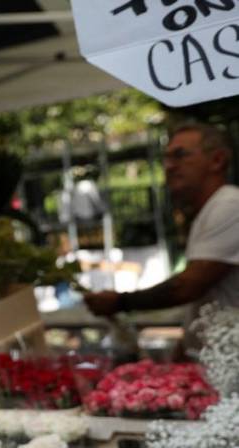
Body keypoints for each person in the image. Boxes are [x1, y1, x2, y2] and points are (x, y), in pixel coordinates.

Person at [84, 124, 239, 353]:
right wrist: (185, 344)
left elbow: (186, 287)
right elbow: (205, 297)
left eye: (180, 155)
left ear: (217, 160)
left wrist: (120, 302)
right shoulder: (211, 210)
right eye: (165, 158)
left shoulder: (230, 205)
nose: (169, 166)